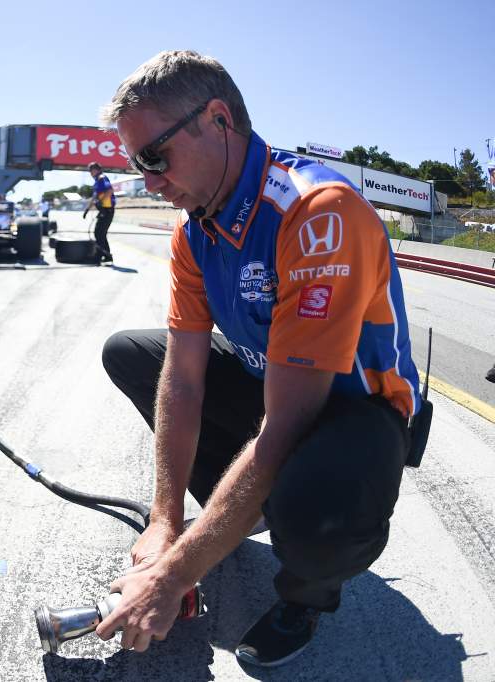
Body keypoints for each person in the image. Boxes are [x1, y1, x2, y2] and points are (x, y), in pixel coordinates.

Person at [95, 51, 422, 668]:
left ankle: (307, 592)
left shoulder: (317, 212)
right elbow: (184, 381)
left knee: (316, 509)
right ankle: (243, 510)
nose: (149, 181)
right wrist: (166, 522)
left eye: (153, 157)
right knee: (131, 355)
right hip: (273, 384)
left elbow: (288, 425)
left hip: (354, 412)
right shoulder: (195, 229)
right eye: (136, 164)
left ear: (217, 119)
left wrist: (169, 580)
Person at [83, 161, 115, 262]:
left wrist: (100, 202)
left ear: (98, 169)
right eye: (90, 171)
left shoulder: (102, 178)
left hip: (107, 210)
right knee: (100, 233)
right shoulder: (97, 182)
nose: (91, 173)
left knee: (99, 233)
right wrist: (87, 209)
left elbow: (109, 190)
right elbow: (94, 198)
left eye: (92, 170)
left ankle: (100, 255)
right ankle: (106, 255)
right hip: (103, 210)